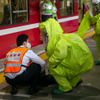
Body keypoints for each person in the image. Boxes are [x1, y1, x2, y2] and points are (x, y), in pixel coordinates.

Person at [39, 18, 94, 94]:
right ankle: (75, 81)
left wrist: (51, 63)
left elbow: (59, 55)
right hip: (75, 61)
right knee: (66, 70)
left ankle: (65, 87)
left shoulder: (60, 41)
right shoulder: (62, 38)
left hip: (74, 62)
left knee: (55, 70)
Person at [77, 0, 100, 65]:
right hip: (98, 34)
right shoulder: (90, 13)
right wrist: (77, 37)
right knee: (99, 46)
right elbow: (84, 25)